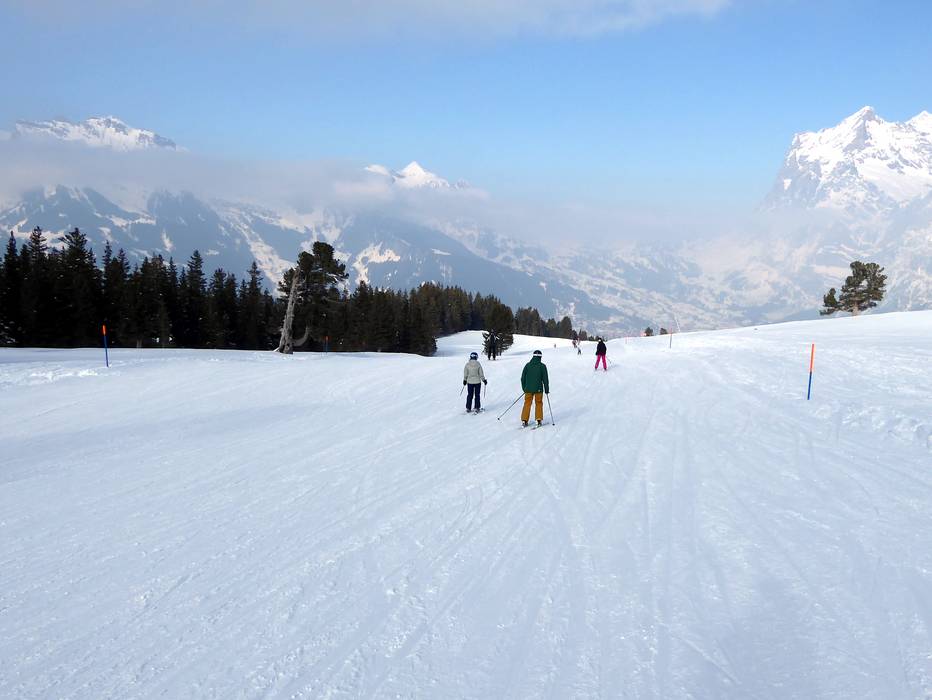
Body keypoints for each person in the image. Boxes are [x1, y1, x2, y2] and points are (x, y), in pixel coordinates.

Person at [520, 350, 549, 426]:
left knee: (527, 403)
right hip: (538, 389)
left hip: (528, 389)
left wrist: (524, 388)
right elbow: (545, 379)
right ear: (540, 357)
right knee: (538, 403)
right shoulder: (542, 366)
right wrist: (546, 389)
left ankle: (524, 420)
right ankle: (538, 419)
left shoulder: (527, 365)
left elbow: (522, 378)